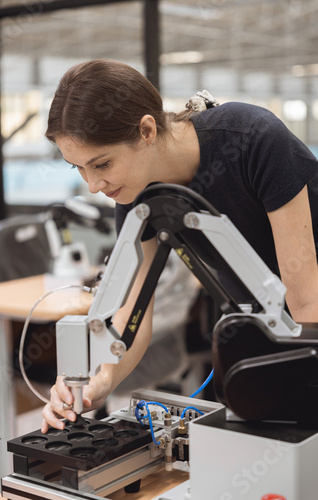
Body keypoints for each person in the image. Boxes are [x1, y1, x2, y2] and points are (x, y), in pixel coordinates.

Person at [41, 59, 318, 432]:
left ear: (146, 130)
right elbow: (131, 319)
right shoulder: (138, 198)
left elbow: (306, 299)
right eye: (79, 168)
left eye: (102, 164)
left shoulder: (252, 139)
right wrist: (100, 380)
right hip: (276, 343)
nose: (93, 185)